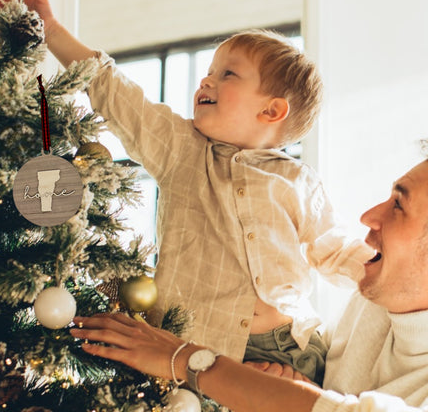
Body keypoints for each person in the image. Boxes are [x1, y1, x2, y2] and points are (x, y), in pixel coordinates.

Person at [0, 0, 374, 385]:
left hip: (286, 348)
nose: (205, 81)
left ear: (271, 111)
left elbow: (335, 251)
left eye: (227, 74)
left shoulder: (297, 180)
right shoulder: (182, 150)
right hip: (193, 344)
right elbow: (116, 92)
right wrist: (51, 28)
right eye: (209, 71)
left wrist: (391, 273)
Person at [70, 157, 428, 411]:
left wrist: (182, 358)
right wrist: (298, 386)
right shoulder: (375, 300)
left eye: (398, 205)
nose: (369, 217)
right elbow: (329, 395)